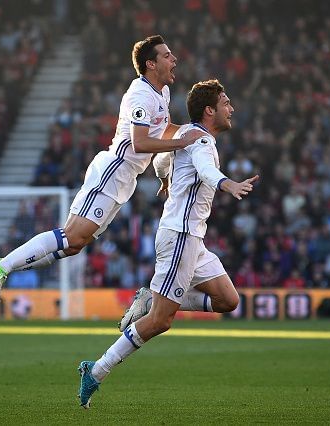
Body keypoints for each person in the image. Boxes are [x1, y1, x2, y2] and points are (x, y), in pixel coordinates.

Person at [0, 35, 204, 306]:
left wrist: (190, 134)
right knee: (71, 235)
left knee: (75, 244)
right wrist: (181, 141)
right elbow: (140, 142)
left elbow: (161, 128)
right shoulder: (141, 95)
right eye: (167, 55)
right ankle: (1, 267)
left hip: (125, 178)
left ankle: (5, 269)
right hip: (114, 170)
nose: (174, 59)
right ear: (150, 64)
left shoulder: (161, 93)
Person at [77, 79, 260, 408]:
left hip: (193, 238)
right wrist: (229, 184)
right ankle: (97, 370)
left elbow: (163, 159)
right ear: (209, 111)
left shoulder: (181, 135)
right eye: (226, 103)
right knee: (161, 321)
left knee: (227, 300)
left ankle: (152, 299)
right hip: (180, 236)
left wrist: (164, 178)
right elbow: (205, 171)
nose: (231, 109)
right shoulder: (201, 141)